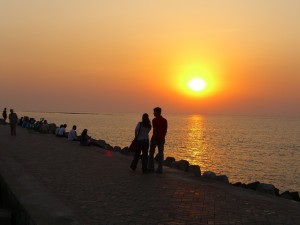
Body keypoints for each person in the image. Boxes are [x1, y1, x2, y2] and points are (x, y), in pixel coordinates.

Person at [148, 107, 168, 174]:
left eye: (154, 112)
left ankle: (151, 167)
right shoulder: (165, 120)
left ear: (157, 112)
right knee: (160, 154)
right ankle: (160, 169)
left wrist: (154, 139)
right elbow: (165, 131)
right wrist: (163, 137)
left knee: (151, 153)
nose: (153, 113)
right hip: (162, 139)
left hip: (156, 138)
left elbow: (155, 130)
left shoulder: (154, 120)